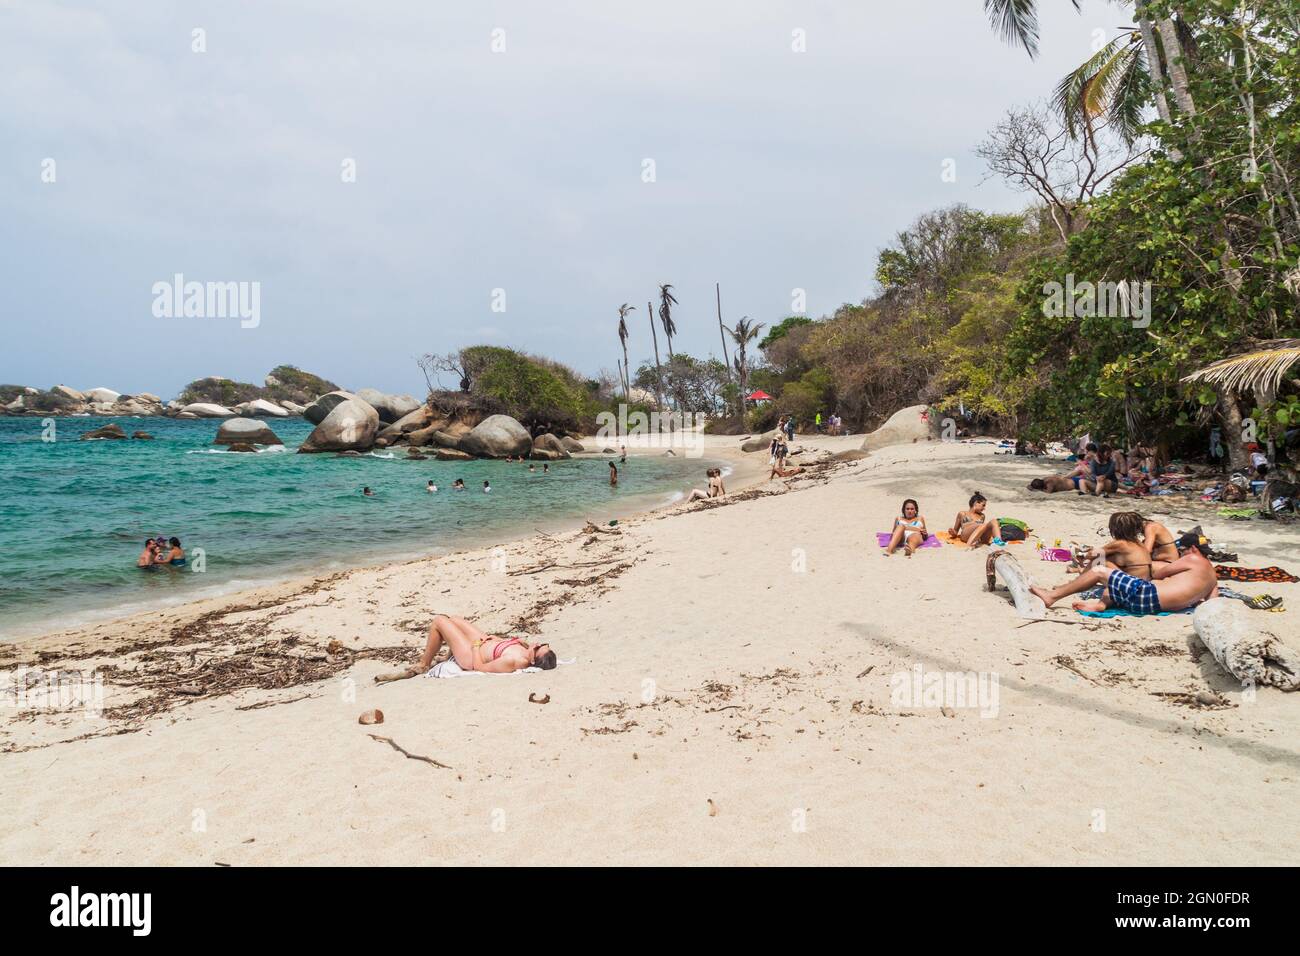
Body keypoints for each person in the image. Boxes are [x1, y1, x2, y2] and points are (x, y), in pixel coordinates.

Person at [1030, 531, 1218, 613]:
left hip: (1148, 596)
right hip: (1151, 607)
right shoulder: (1212, 578)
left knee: (1099, 571)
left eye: (1182, 550)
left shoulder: (1192, 559)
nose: (1181, 553)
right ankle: (1100, 605)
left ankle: (1052, 596)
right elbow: (1212, 604)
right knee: (1116, 585)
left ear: (1192, 548)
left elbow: (1159, 574)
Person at [411, 615, 557, 674]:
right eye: (543, 644)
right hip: (484, 642)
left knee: (439, 621)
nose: (536, 644)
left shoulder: (512, 662)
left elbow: (480, 667)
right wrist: (498, 640)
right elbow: (506, 648)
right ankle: (447, 656)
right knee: (454, 619)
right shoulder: (526, 649)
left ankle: (424, 664)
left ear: (532, 660)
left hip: (471, 656)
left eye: (537, 648)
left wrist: (474, 648)